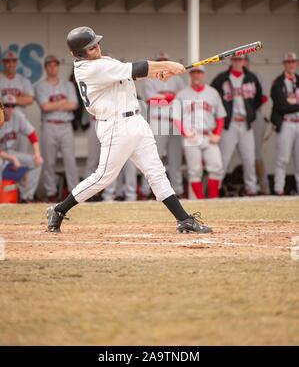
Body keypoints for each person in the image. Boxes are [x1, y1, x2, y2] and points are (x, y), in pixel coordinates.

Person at [47, 26, 212, 234]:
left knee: (156, 172)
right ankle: (59, 210)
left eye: (96, 43)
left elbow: (131, 75)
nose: (97, 46)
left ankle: (184, 219)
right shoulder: (89, 69)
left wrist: (159, 74)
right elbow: (138, 67)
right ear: (80, 53)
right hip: (116, 126)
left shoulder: (102, 62)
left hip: (136, 121)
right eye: (91, 47)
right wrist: (169, 64)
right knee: (103, 177)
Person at [211, 55, 262, 196]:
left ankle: (251, 189)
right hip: (229, 125)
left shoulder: (251, 77)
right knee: (223, 160)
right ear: (231, 61)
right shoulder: (222, 78)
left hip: (245, 124)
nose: (238, 62)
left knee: (249, 159)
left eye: (240, 59)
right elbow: (212, 97)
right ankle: (216, 189)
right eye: (235, 59)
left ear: (245, 61)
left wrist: (251, 113)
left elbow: (258, 99)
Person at [174, 65, 226, 199]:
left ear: (203, 74)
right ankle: (201, 201)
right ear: (190, 75)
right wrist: (185, 133)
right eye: (194, 72)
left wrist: (218, 134)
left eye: (199, 72)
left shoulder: (212, 92)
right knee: (194, 170)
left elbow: (220, 116)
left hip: (208, 134)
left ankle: (213, 199)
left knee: (217, 167)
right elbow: (176, 117)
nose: (196, 75)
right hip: (191, 136)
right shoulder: (182, 94)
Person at [35, 55, 79, 202]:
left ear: (58, 67)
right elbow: (45, 107)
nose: (53, 67)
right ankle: (51, 192)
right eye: (50, 65)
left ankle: (75, 192)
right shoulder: (41, 86)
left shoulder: (68, 85)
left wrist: (54, 104)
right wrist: (63, 102)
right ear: (46, 67)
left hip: (66, 126)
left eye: (55, 65)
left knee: (70, 160)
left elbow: (73, 105)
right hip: (49, 125)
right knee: (49, 161)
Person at [141, 51, 186, 197]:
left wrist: (164, 97)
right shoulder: (150, 79)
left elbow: (183, 98)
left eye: (165, 60)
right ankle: (146, 191)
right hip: (158, 121)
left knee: (175, 159)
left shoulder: (178, 79)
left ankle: (177, 190)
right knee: (154, 159)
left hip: (175, 122)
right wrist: (172, 96)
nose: (163, 62)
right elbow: (152, 100)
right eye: (160, 60)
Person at [0, 94, 43, 202]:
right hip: (2, 155)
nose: (10, 109)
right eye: (7, 105)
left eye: (13, 106)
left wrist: (37, 154)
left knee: (37, 162)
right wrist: (13, 159)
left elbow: (32, 134)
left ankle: (26, 197)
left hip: (10, 153)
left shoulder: (18, 116)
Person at [271, 51, 299, 195]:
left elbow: (287, 105)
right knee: (282, 159)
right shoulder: (278, 82)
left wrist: (291, 104)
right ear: (284, 64)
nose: (291, 64)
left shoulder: (298, 80)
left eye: (293, 61)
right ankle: (279, 189)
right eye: (288, 62)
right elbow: (281, 106)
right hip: (286, 123)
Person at [244, 56, 270, 195]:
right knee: (246, 155)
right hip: (238, 121)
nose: (243, 63)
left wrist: (249, 109)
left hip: (255, 117)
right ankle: (250, 187)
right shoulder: (230, 77)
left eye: (245, 60)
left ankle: (264, 187)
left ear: (247, 62)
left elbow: (264, 97)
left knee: (257, 154)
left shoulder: (256, 77)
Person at [0, 51, 35, 152]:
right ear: (3, 62)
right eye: (8, 61)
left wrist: (9, 99)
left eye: (13, 61)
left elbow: (30, 99)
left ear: (17, 62)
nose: (11, 64)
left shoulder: (23, 81)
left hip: (20, 122)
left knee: (22, 154)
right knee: (3, 157)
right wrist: (20, 98)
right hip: (3, 123)